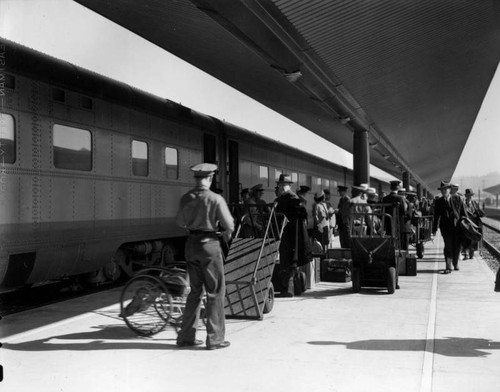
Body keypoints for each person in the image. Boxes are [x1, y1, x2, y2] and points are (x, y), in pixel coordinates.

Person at [175, 163, 234, 350]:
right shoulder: (215, 199)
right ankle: (215, 338)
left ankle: (185, 337)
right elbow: (229, 224)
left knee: (194, 292)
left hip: (191, 244)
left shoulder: (186, 198)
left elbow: (179, 222)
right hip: (209, 246)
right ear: (210, 178)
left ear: (196, 178)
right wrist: (225, 232)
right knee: (215, 291)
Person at [274, 174, 312, 297]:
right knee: (290, 260)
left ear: (288, 185)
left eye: (283, 185)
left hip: (290, 235)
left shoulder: (289, 199)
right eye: (280, 185)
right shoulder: (292, 199)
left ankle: (288, 289)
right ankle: (294, 288)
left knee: (288, 260)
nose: (281, 187)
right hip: (291, 234)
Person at [432, 181, 466, 273]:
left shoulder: (458, 199)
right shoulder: (438, 202)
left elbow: (464, 213)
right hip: (445, 228)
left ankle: (455, 263)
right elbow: (436, 216)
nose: (444, 191)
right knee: (448, 246)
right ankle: (448, 265)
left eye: (445, 189)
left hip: (457, 227)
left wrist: (466, 226)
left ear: (449, 190)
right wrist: (434, 229)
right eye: (442, 190)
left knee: (457, 246)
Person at [383, 180, 407, 249]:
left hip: (388, 223)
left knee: (390, 240)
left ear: (390, 187)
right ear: (398, 187)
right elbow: (404, 211)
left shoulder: (385, 199)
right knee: (399, 242)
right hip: (399, 223)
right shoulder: (400, 198)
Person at [462, 188, 484, 259]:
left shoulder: (475, 203)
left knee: (473, 239)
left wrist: (480, 212)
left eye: (471, 195)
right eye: (468, 195)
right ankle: (465, 253)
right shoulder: (463, 203)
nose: (469, 197)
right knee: (465, 238)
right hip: (466, 224)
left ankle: (471, 253)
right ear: (466, 196)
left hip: (474, 224)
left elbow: (480, 213)